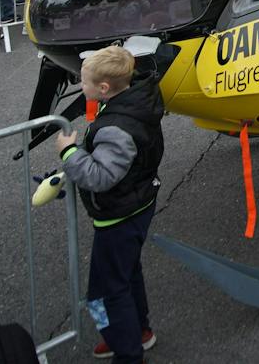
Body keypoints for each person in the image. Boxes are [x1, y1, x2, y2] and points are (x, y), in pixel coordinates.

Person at [54, 46, 165, 363]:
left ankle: (127, 350)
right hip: (137, 202)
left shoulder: (116, 127)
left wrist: (69, 153)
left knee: (106, 291)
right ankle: (138, 332)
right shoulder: (132, 103)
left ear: (103, 89)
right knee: (128, 274)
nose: (80, 84)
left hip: (119, 215)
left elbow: (100, 177)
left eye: (83, 81)